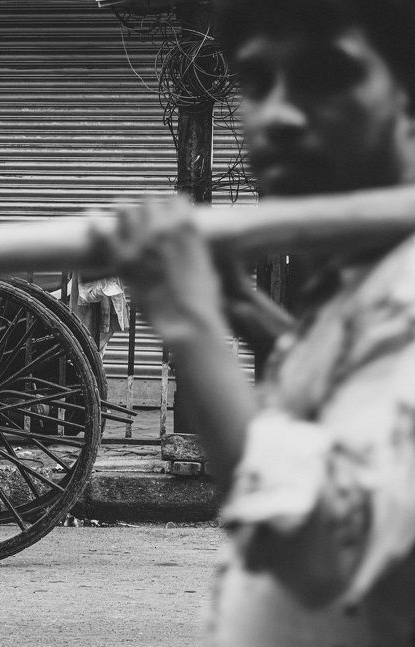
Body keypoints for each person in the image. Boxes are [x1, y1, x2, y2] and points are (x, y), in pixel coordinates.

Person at [98, 0, 415, 644]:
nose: (277, 115)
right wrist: (239, 308)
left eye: (327, 77)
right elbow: (341, 386)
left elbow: (319, 553)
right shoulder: (367, 270)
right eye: (254, 82)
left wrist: (190, 326)